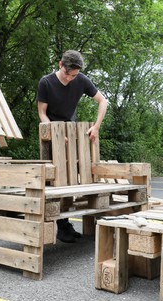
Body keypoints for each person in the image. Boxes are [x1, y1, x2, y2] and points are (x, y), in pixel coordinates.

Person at [36, 50, 108, 243]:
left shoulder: (81, 80)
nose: (70, 79)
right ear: (60, 65)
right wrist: (55, 133)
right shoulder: (46, 82)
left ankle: (65, 224)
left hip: (72, 134)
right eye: (68, 74)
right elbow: (42, 113)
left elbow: (102, 101)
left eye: (74, 75)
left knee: (71, 182)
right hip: (52, 135)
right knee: (56, 182)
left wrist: (96, 126)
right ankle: (60, 226)